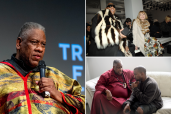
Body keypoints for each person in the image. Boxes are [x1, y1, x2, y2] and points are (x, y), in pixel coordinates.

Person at [0, 22, 85, 114]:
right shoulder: (2, 72)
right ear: (19, 43)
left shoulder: (55, 75)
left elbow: (85, 105)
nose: (40, 49)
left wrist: (58, 95)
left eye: (43, 44)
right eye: (34, 42)